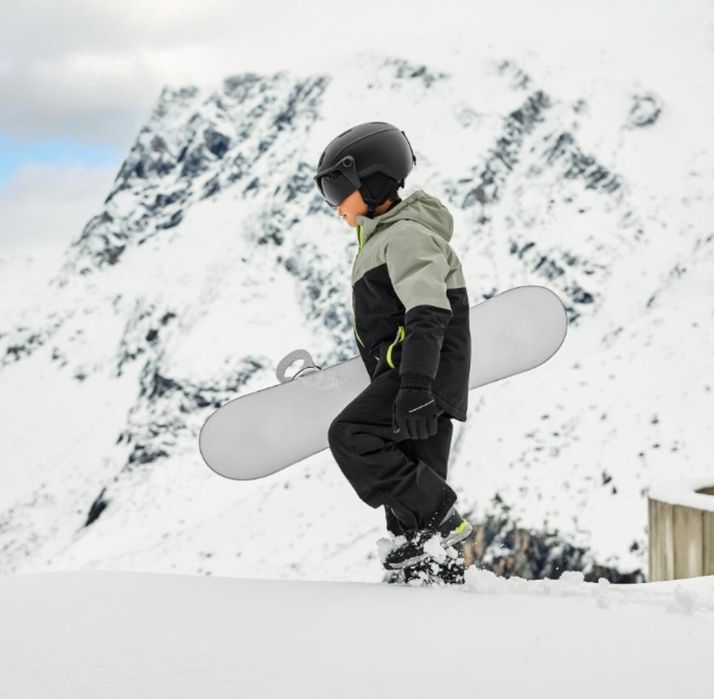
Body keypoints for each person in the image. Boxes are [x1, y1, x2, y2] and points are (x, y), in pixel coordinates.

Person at [314, 121, 473, 571]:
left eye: (336, 190)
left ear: (373, 183)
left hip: (419, 379)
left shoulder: (405, 236)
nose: (333, 205)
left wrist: (416, 386)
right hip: (414, 380)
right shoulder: (385, 238)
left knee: (351, 435)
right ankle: (429, 575)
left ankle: (439, 516)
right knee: (411, 514)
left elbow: (428, 311)